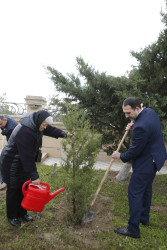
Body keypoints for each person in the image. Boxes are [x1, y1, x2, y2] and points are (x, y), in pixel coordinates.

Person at [0, 110, 69, 227]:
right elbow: (26, 156)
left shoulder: (38, 125)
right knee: (13, 188)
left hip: (22, 161)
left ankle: (22, 213)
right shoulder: (25, 131)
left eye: (45, 125)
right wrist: (34, 176)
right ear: (38, 122)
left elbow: (50, 129)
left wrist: (64, 134)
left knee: (24, 186)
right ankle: (12, 216)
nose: (45, 127)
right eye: (44, 125)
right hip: (11, 161)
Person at [111, 97, 167, 238]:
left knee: (135, 191)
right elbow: (145, 127)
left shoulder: (140, 127)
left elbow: (135, 151)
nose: (126, 116)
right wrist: (134, 123)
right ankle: (144, 218)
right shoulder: (149, 111)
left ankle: (133, 229)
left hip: (147, 161)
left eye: (128, 113)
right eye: (125, 113)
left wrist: (120, 155)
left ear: (137, 108)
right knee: (146, 189)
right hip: (156, 157)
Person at [0, 115, 18, 188]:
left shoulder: (11, 127)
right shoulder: (5, 118)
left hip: (15, 142)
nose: (0, 126)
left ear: (5, 120)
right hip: (11, 139)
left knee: (4, 159)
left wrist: (3, 131)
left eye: (0, 124)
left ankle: (3, 180)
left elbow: (5, 132)